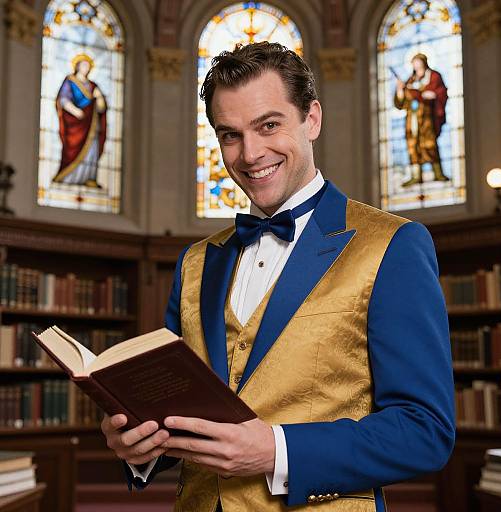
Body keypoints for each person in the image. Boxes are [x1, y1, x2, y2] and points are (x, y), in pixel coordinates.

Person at [101, 42, 455, 511]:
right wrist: (137, 448)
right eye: (230, 134)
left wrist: (275, 451)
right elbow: (174, 409)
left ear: (312, 118)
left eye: (268, 125)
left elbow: (424, 430)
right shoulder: (196, 262)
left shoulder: (393, 245)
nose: (250, 154)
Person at [394, 53, 449, 187]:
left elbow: (441, 92)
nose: (416, 64)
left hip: (427, 117)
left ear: (424, 62)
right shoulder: (410, 81)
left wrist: (433, 95)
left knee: (429, 143)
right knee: (413, 145)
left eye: (418, 61)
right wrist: (400, 90)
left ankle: (438, 173)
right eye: (414, 62)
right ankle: (415, 175)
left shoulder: (433, 76)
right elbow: (401, 104)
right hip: (412, 119)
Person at [53, 53, 107, 188]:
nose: (86, 68)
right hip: (75, 124)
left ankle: (89, 178)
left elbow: (101, 108)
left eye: (88, 66)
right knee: (72, 149)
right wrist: (76, 111)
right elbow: (63, 100)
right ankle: (68, 177)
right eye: (84, 65)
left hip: (91, 125)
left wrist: (99, 98)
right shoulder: (70, 81)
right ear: (77, 66)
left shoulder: (93, 86)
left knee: (91, 149)